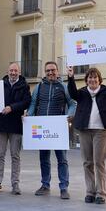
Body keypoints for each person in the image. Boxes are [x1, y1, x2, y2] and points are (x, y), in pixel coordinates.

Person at [67, 60, 106, 204]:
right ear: (86, 80)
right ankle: (90, 192)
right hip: (85, 130)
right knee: (87, 162)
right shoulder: (82, 93)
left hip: (100, 131)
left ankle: (101, 193)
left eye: (95, 77)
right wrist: (71, 76)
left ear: (99, 79)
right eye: (90, 78)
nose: (92, 80)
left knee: (99, 161)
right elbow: (72, 92)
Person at [27, 61, 76, 199]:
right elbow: (33, 104)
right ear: (45, 72)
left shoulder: (63, 86)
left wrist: (70, 115)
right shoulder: (39, 87)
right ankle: (45, 185)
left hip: (58, 129)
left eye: (53, 70)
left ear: (57, 71)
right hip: (42, 129)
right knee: (44, 159)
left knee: (62, 159)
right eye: (48, 70)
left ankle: (64, 187)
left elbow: (72, 103)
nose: (50, 73)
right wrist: (28, 115)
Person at [0, 62, 31, 195]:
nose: (13, 73)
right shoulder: (0, 84)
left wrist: (12, 108)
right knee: (0, 155)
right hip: (1, 124)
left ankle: (15, 184)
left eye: (15, 71)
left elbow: (26, 102)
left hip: (16, 126)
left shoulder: (24, 86)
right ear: (8, 71)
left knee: (15, 156)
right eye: (11, 70)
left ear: (19, 72)